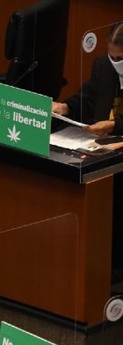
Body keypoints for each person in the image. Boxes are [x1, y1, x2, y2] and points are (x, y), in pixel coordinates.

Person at [52, 21, 123, 278]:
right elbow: (89, 97)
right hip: (104, 146)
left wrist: (114, 124)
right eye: (111, 55)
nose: (115, 61)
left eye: (120, 57)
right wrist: (67, 107)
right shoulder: (103, 66)